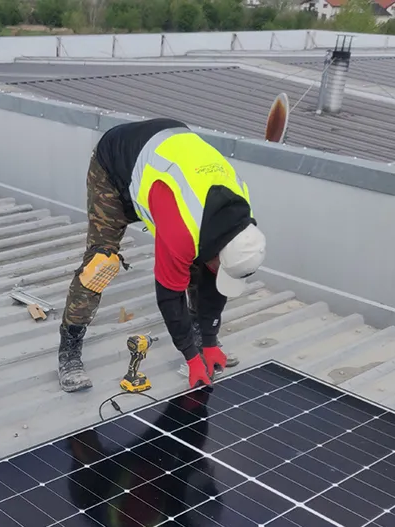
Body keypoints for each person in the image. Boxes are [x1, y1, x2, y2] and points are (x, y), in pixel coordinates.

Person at [57, 118, 267, 393]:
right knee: (100, 263)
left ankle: (199, 334)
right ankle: (69, 348)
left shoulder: (241, 217)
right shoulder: (182, 225)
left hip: (159, 169)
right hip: (114, 169)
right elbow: (169, 295)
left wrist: (210, 341)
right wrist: (192, 358)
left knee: (201, 266)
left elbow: (216, 281)